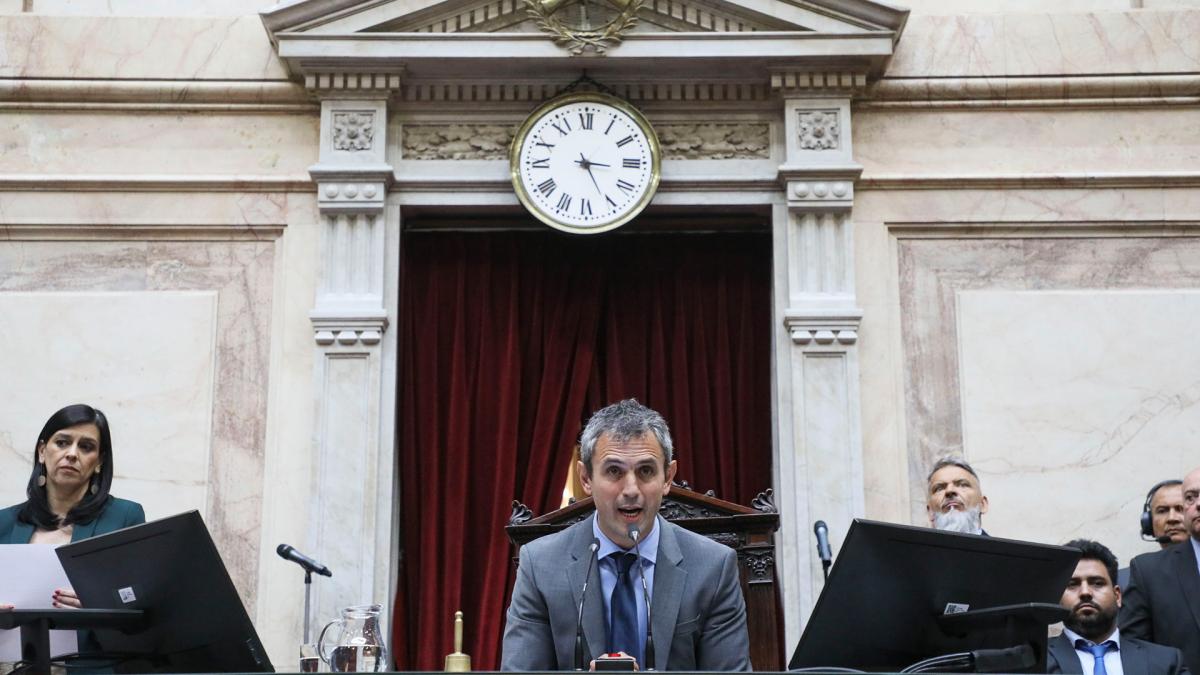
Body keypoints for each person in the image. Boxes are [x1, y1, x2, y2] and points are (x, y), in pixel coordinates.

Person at [500, 399, 750, 671]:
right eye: (614, 471)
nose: (631, 489)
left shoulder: (713, 567)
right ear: (586, 478)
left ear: (668, 477)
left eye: (645, 471)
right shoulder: (541, 565)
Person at [0, 405, 146, 651]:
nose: (71, 454)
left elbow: (141, 604)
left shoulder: (124, 517)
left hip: (89, 663)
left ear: (99, 461)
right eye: (63, 442)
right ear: (42, 451)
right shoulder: (4, 522)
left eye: (86, 447)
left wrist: (99, 603)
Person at [1046, 539, 1188, 675]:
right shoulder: (1035, 660)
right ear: (1058, 598)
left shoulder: (1167, 662)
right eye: (1072, 584)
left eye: (1097, 583)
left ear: (1118, 596)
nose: (1085, 592)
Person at [1120, 465, 1200, 675]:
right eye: (1190, 498)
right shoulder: (1145, 571)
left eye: (1178, 508)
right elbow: (1132, 649)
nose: (1173, 518)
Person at [1118, 480, 1186, 588]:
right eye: (1162, 511)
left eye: (1180, 509)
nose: (1172, 518)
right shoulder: (1127, 580)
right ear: (1148, 522)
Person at [925, 457, 989, 535]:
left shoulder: (1003, 548)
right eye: (939, 488)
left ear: (982, 504)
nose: (949, 491)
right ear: (930, 512)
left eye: (962, 485)